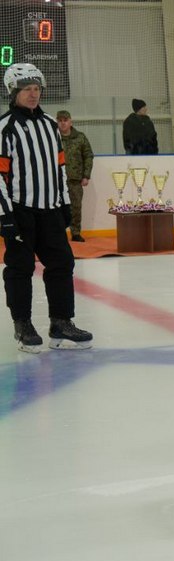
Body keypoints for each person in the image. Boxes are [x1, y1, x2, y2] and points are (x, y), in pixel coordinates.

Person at [0, 63, 92, 353]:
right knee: (20, 268)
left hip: (50, 209)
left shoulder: (51, 125)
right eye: (26, 89)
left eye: (37, 88)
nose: (33, 94)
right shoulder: (5, 128)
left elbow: (60, 167)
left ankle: (61, 322)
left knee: (62, 264)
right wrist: (5, 216)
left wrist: (65, 203)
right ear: (13, 92)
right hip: (20, 210)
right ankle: (23, 325)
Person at [56, 110, 94, 243]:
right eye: (60, 120)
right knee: (56, 209)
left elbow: (88, 156)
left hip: (75, 180)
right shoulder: (52, 137)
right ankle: (58, 234)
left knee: (76, 208)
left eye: (65, 120)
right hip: (56, 181)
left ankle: (76, 233)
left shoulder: (80, 137)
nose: (63, 123)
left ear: (70, 121)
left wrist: (86, 175)